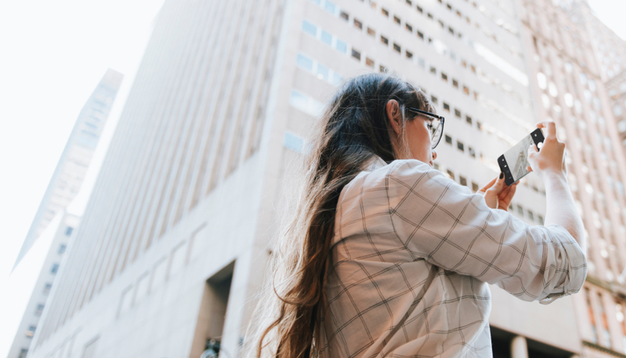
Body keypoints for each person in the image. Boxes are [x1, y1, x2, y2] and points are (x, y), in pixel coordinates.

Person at [250, 73, 586, 358]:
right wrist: (555, 174)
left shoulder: (335, 213)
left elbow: (411, 308)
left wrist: (486, 216)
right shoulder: (397, 184)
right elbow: (563, 261)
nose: (435, 150)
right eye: (429, 125)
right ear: (395, 115)